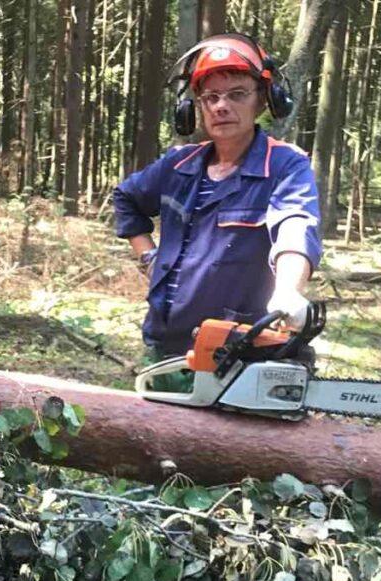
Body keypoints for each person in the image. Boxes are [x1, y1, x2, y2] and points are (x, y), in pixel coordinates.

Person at [113, 33, 322, 378]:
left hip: (243, 351)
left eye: (237, 93)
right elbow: (126, 198)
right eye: (210, 97)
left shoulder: (284, 165)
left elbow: (296, 226)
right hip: (167, 346)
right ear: (194, 108)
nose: (221, 105)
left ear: (263, 100)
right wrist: (148, 256)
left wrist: (288, 288)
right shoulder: (178, 164)